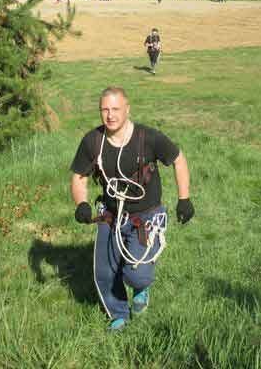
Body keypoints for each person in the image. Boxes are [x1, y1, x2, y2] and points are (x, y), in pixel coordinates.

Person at [70, 87, 194, 332]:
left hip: (147, 216)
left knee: (136, 274)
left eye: (116, 109)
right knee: (104, 273)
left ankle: (142, 288)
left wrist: (184, 199)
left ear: (127, 108)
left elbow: (178, 159)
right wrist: (81, 203)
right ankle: (119, 315)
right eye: (105, 109)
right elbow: (79, 177)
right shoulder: (93, 141)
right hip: (111, 216)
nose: (110, 115)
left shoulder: (148, 138)